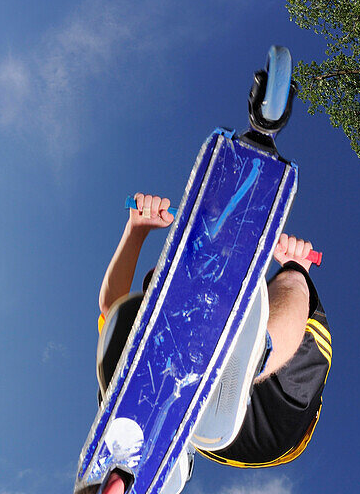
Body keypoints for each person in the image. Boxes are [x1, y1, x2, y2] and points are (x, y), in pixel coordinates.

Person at [96, 193, 331, 470]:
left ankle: (253, 358)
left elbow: (110, 304)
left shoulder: (228, 298)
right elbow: (113, 308)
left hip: (268, 417)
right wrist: (136, 229)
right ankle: (161, 437)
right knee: (124, 326)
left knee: (292, 282)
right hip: (198, 420)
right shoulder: (166, 324)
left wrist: (296, 266)